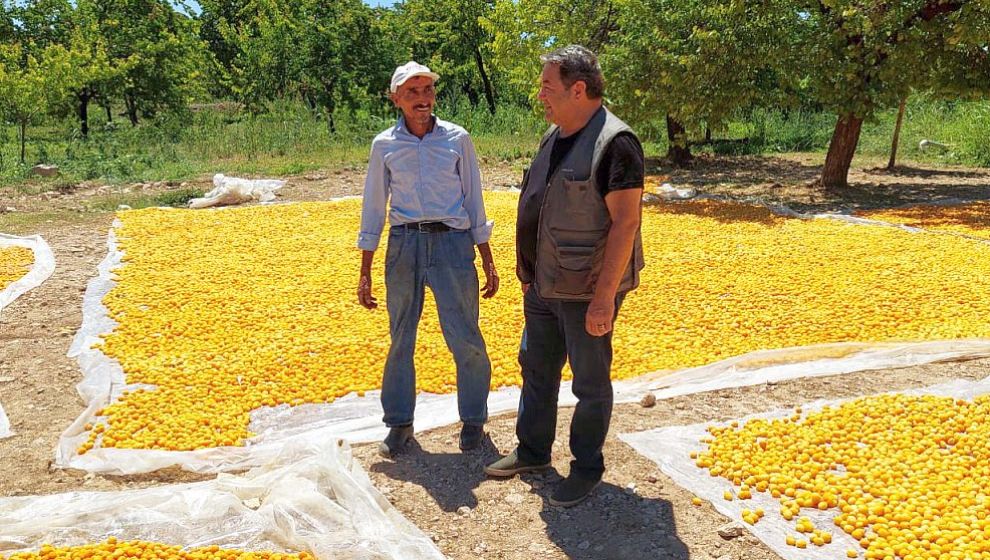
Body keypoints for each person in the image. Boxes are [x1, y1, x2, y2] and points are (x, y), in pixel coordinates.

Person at [484, 45, 645, 507]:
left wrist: (603, 299)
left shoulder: (616, 144)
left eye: (547, 87)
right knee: (537, 367)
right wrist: (528, 274)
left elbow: (625, 223)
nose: (540, 96)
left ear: (578, 89)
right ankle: (533, 450)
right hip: (543, 284)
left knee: (589, 382)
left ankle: (586, 467)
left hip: (585, 288)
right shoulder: (555, 134)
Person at [357, 61, 499, 458]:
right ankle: (399, 423)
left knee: (465, 335)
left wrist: (486, 256)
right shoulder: (384, 145)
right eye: (412, 92)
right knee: (401, 336)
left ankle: (473, 420)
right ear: (395, 98)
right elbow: (373, 207)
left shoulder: (457, 138)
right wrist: (365, 269)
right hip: (404, 244)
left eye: (427, 91)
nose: (422, 99)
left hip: (453, 245)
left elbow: (474, 198)